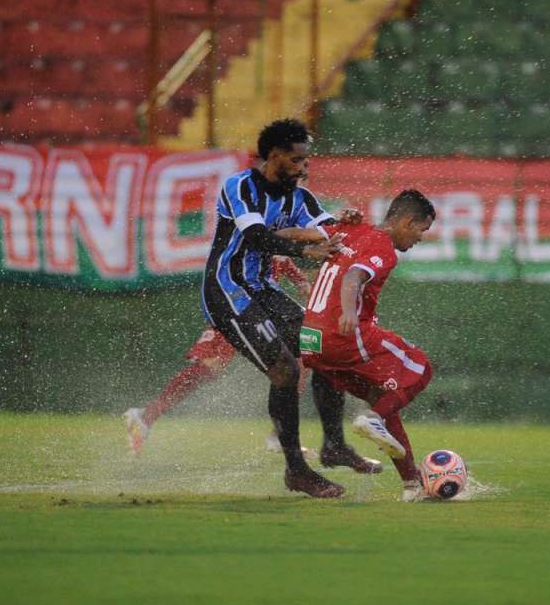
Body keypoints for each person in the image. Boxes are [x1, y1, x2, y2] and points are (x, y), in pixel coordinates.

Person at [191, 118, 379, 498]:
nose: (303, 168)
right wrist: (305, 248)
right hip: (227, 290)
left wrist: (347, 224)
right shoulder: (239, 186)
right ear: (274, 155)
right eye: (296, 160)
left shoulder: (300, 198)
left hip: (264, 289)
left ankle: (334, 446)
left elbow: (331, 232)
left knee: (323, 350)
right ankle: (297, 471)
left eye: (306, 160)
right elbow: (256, 237)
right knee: (285, 370)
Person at [299, 189, 437, 502]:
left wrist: (265, 236)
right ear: (407, 221)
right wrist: (349, 312)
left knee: (382, 396)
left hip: (310, 340)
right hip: (342, 334)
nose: (420, 238)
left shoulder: (352, 230)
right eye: (422, 229)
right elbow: (354, 276)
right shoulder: (383, 247)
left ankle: (412, 485)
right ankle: (371, 419)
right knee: (420, 366)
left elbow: (298, 235)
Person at [123, 256, 322, 460]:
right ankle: (146, 417)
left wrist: (305, 284)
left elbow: (291, 269)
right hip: (234, 308)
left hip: (264, 313)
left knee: (298, 364)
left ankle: (281, 436)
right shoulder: (243, 246)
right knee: (207, 369)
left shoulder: (278, 250)